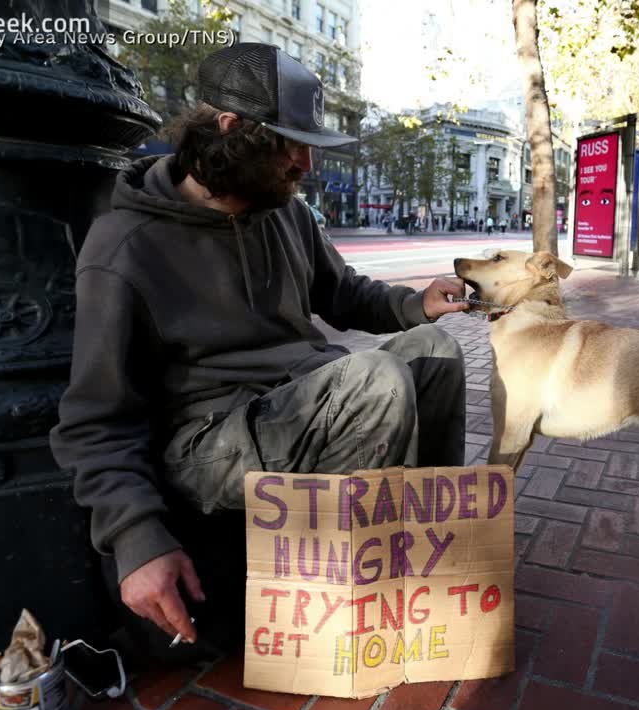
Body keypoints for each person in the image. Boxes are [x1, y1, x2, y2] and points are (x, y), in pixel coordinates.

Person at [50, 43, 471, 655]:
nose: (305, 163)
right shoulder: (124, 248)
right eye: (290, 144)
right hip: (208, 437)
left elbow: (341, 293)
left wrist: (417, 305)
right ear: (231, 131)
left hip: (300, 397)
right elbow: (94, 418)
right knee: (374, 381)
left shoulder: (287, 212)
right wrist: (136, 536)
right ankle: (333, 600)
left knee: (433, 349)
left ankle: (416, 554)